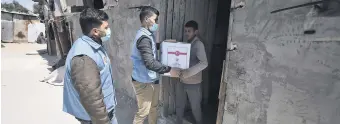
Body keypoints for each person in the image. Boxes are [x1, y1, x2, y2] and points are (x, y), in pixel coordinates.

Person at [63, 8, 117, 124]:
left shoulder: (92, 44)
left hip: (105, 112)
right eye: (106, 28)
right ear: (95, 31)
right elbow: (91, 98)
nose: (109, 30)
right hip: (97, 118)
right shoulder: (84, 57)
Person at [130, 6, 179, 124]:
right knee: (143, 112)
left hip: (151, 79)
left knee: (154, 108)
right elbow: (150, 63)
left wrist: (162, 44)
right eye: (155, 19)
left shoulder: (147, 34)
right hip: (144, 81)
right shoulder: (143, 38)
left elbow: (150, 48)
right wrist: (169, 70)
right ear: (147, 19)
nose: (157, 23)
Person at [176, 20, 208, 124]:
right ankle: (178, 122)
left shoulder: (198, 45)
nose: (186, 33)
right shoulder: (186, 44)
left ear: (196, 32)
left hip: (193, 83)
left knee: (195, 107)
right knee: (179, 105)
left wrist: (188, 73)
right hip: (182, 80)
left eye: (189, 31)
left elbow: (204, 63)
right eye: (185, 31)